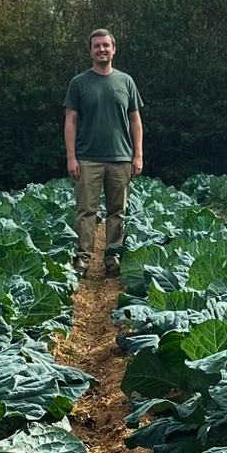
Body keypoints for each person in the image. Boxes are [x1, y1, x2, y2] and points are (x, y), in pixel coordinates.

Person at [63, 28, 143, 278]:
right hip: (87, 159)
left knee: (117, 211)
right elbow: (70, 121)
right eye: (97, 46)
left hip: (120, 158)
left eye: (106, 45)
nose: (101, 50)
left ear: (114, 49)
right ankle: (83, 258)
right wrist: (71, 157)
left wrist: (138, 154)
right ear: (90, 51)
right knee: (86, 211)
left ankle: (113, 256)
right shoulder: (79, 83)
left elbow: (135, 121)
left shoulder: (126, 82)